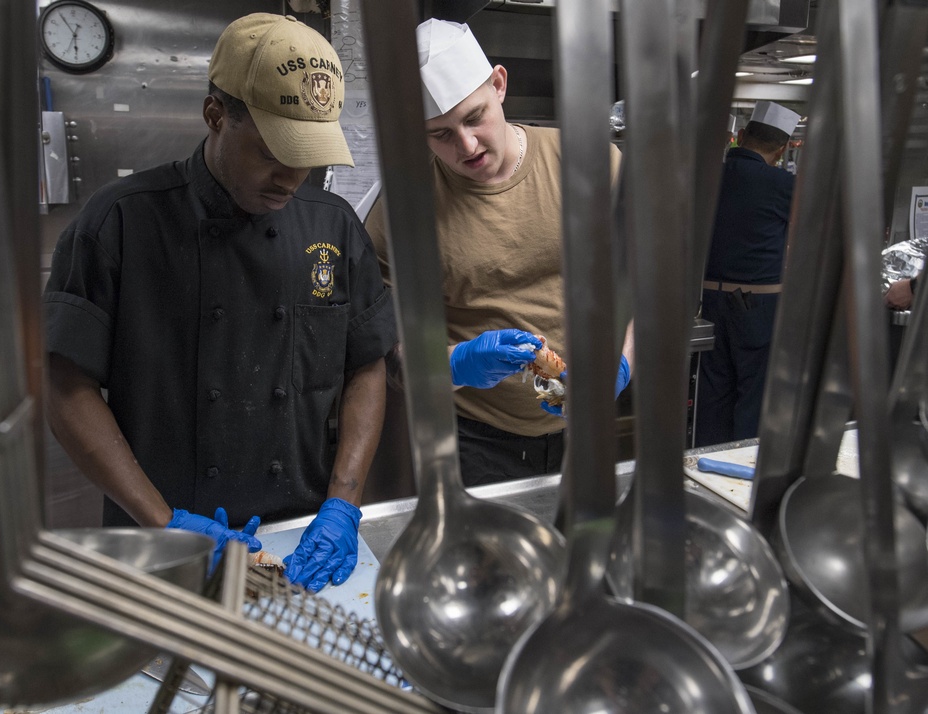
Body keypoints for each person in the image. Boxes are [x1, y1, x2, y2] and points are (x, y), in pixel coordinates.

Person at [42, 13, 396, 591]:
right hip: (162, 542)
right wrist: (165, 523)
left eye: (306, 154)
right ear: (215, 116)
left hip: (300, 539)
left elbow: (366, 364)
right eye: (272, 152)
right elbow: (64, 388)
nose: (291, 178)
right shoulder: (120, 223)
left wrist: (343, 505)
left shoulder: (332, 226)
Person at [364, 19, 631, 486]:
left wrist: (622, 362)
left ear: (499, 84)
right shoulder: (402, 215)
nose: (466, 146)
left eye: (473, 118)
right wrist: (451, 364)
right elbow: (388, 351)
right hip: (472, 440)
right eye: (440, 134)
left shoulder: (590, 164)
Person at [695, 100, 800, 447]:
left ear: (740, 136)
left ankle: (703, 464)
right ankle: (743, 472)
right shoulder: (783, 184)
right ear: (783, 148)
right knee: (753, 396)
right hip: (759, 306)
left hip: (708, 301)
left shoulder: (707, 177)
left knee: (713, 393)